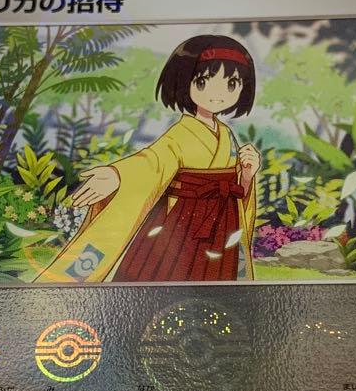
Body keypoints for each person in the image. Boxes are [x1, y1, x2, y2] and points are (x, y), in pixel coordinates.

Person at [35, 35, 261, 283]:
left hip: (223, 221)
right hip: (180, 223)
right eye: (203, 81)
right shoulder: (180, 134)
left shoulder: (227, 134)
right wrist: (118, 175)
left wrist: (246, 175)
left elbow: (236, 186)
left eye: (231, 84)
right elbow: (152, 162)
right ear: (184, 81)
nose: (218, 94)